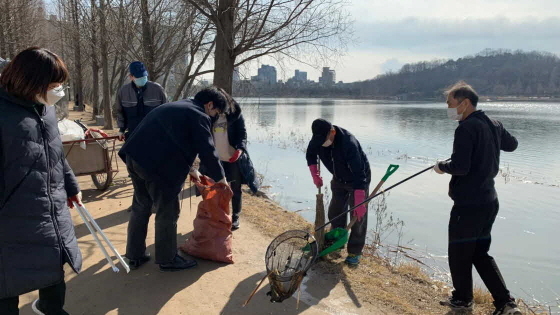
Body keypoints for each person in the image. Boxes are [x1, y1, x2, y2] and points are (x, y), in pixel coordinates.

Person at [0, 47, 83, 315]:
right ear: (29, 81)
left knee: (53, 271)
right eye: (52, 85)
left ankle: (53, 310)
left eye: (60, 85)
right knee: (6, 284)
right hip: (10, 220)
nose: (57, 91)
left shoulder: (46, 108)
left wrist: (71, 186)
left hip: (50, 211)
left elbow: (54, 151)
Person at [118, 86, 229, 272]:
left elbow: (175, 140)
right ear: (209, 105)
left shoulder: (180, 106)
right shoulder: (199, 115)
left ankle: (135, 254)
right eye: (216, 111)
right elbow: (208, 150)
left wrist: (192, 170)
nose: (214, 116)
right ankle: (168, 259)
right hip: (156, 167)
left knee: (141, 206)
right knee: (167, 211)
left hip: (134, 158)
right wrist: (221, 179)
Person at [435, 82, 522, 315]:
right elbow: (512, 145)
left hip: (468, 204)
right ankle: (505, 304)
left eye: (450, 103)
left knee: (459, 253)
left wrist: (442, 166)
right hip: (489, 201)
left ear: (464, 103)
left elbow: (461, 167)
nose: (448, 108)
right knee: (479, 253)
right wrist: (493, 137)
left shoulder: (465, 128)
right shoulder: (492, 124)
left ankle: (463, 300)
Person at [306, 118, 371, 266]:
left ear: (333, 132)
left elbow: (359, 173)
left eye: (325, 139)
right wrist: (314, 174)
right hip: (338, 178)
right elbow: (310, 155)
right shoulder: (318, 138)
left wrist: (360, 198)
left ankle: (354, 252)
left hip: (358, 180)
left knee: (358, 216)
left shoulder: (349, 143)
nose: (322, 143)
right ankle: (338, 242)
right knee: (335, 211)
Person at [199, 88, 259, 230]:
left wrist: (240, 149)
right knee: (212, 188)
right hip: (213, 159)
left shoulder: (235, 114)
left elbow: (242, 134)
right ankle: (216, 215)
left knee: (235, 189)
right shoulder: (208, 114)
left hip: (232, 158)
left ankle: (235, 216)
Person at [116, 61, 167, 141]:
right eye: (139, 77)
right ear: (131, 77)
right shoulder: (123, 92)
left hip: (155, 135)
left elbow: (166, 110)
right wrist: (121, 129)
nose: (142, 79)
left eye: (144, 76)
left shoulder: (158, 89)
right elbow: (120, 112)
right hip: (133, 135)